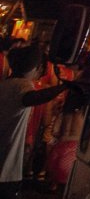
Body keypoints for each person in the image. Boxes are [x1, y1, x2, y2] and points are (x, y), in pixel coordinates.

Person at [0, 45, 75, 199]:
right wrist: (63, 88)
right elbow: (31, 98)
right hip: (6, 168)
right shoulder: (22, 84)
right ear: (34, 68)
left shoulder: (5, 84)